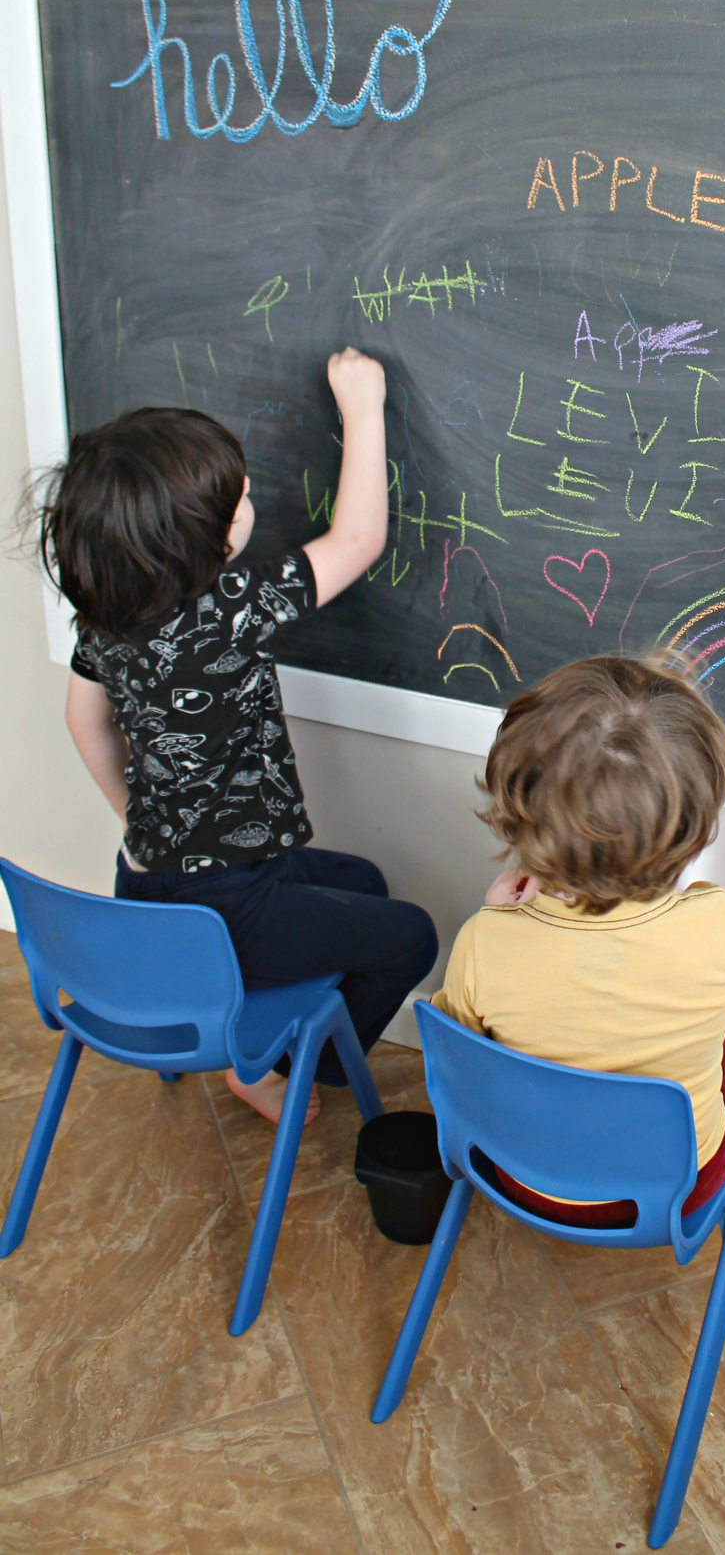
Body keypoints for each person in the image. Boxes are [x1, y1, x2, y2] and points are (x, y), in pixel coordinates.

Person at [36, 348, 438, 1125]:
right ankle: (274, 1063)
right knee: (410, 935)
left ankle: (244, 1010)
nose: (250, 493)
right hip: (230, 909)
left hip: (147, 885)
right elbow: (356, 542)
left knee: (361, 881)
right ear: (209, 547)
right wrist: (362, 406)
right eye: (236, 499)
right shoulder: (232, 607)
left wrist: (134, 816)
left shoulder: (108, 616)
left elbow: (80, 718)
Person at [433, 654, 725, 1225]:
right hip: (674, 1190)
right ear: (693, 821)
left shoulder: (481, 942)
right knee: (723, 1051)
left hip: (523, 1175)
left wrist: (496, 918)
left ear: (520, 808)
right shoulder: (719, 918)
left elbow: (461, 1051)